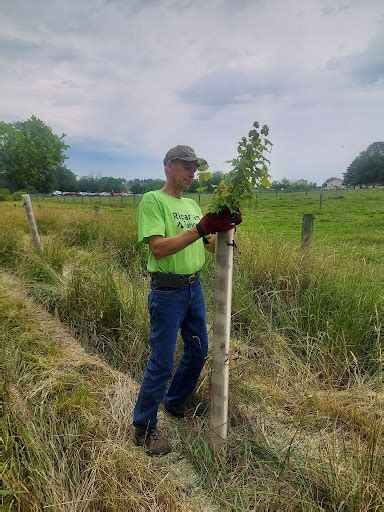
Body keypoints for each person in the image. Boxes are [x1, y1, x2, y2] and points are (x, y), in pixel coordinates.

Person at [133, 145, 241, 455]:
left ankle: (175, 401)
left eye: (194, 167)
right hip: (167, 292)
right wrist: (200, 227)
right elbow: (159, 249)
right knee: (162, 362)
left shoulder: (194, 205)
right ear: (168, 166)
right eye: (185, 165)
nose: (191, 172)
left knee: (198, 350)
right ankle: (143, 427)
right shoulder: (153, 201)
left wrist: (226, 227)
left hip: (195, 288)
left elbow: (208, 246)